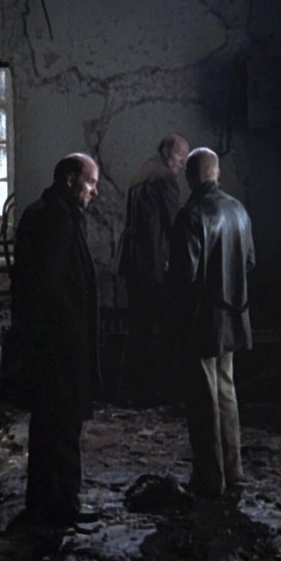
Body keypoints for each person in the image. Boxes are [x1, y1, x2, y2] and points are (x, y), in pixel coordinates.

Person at [10, 152, 102, 528]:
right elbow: (50, 288)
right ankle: (63, 506)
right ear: (70, 180)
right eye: (90, 182)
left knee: (47, 425)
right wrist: (65, 341)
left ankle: (41, 502)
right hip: (60, 347)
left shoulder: (44, 213)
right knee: (63, 426)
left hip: (49, 344)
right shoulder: (58, 219)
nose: (94, 191)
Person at [166, 147, 255, 498]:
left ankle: (210, 478)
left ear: (190, 177)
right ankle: (234, 470)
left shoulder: (191, 215)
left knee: (203, 401)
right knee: (226, 393)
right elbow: (249, 262)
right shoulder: (239, 210)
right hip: (234, 315)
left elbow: (183, 277)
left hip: (202, 321)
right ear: (217, 172)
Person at [116, 133, 190, 406]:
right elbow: (174, 227)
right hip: (152, 265)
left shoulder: (143, 172)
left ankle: (130, 390)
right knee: (167, 328)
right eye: (181, 155)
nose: (183, 163)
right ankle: (161, 389)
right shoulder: (165, 178)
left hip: (134, 263)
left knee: (139, 329)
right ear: (168, 151)